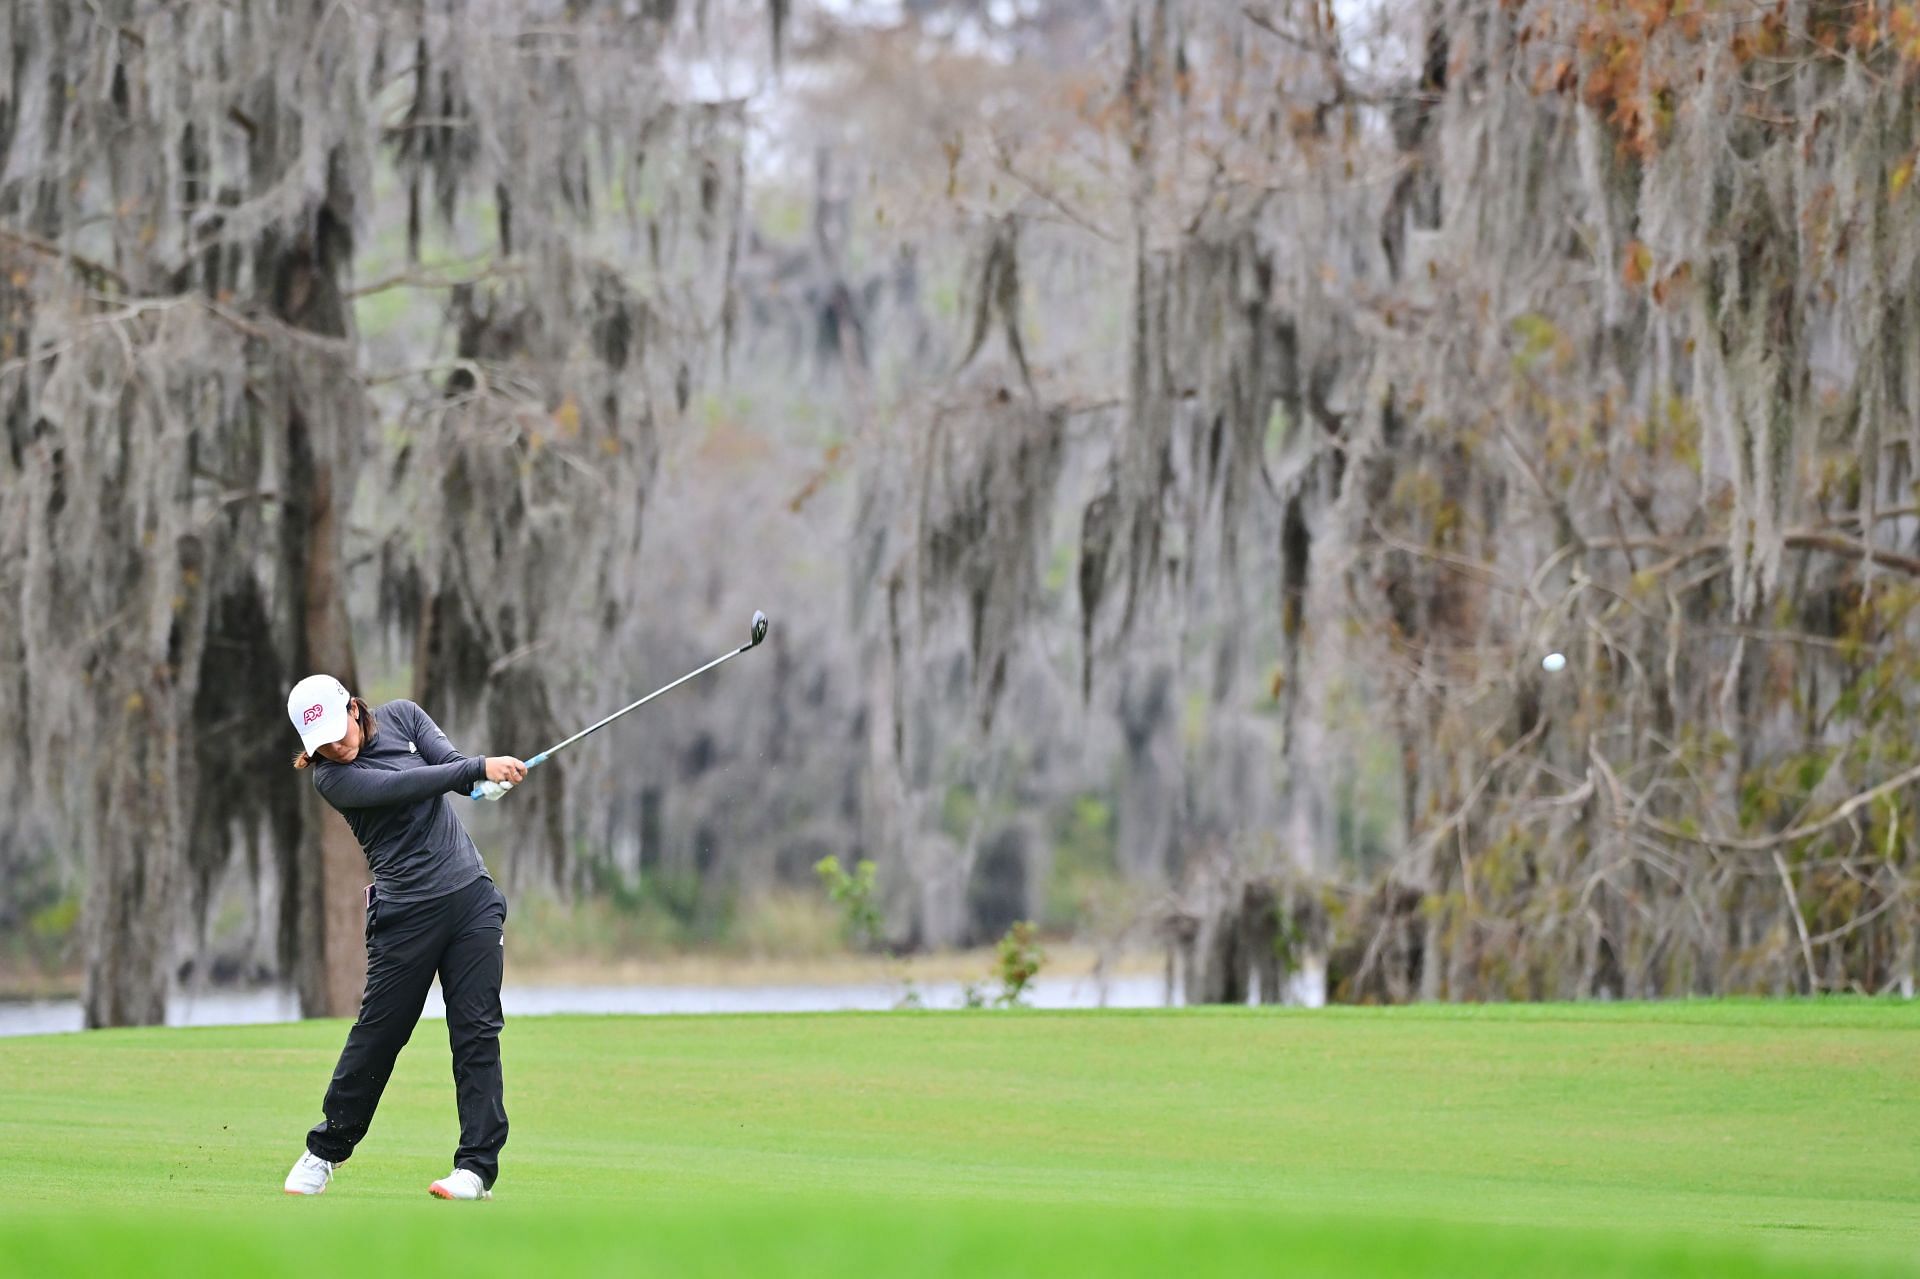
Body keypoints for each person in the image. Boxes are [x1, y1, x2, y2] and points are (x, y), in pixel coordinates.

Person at [279, 673, 527, 1201]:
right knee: (380, 1035)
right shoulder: (331, 779)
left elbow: (449, 767)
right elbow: (405, 785)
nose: (333, 747)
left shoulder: (405, 717)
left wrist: (483, 783)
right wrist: (475, 769)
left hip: (470, 899)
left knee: (477, 1031)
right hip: (406, 915)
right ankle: (325, 1151)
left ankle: (476, 1170)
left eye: (337, 732)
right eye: (319, 744)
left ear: (352, 707)